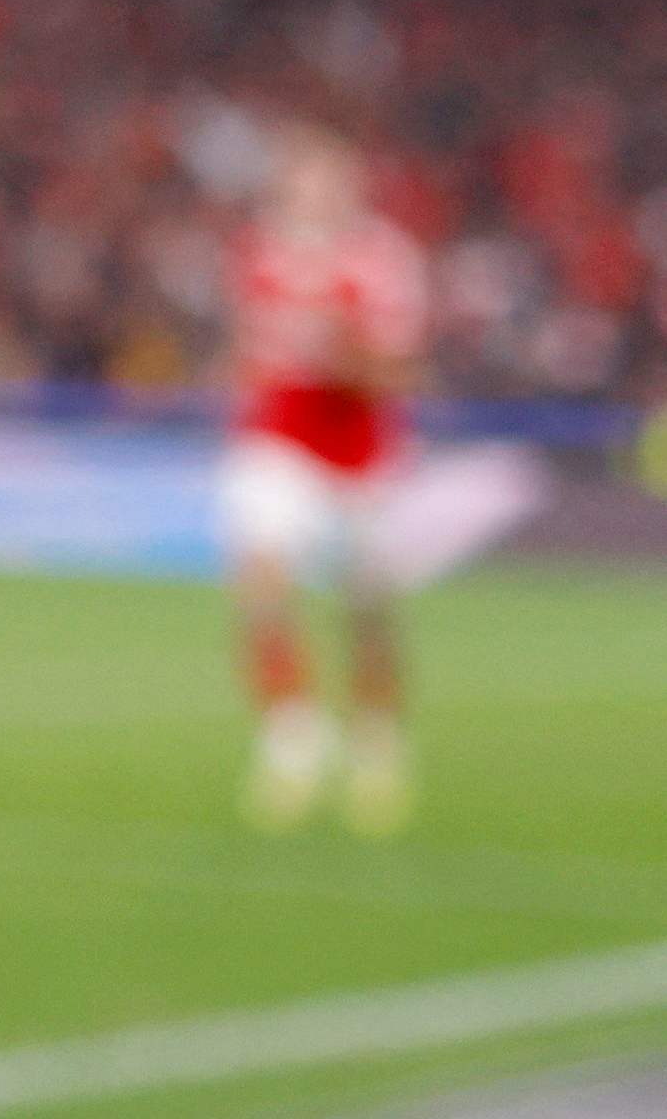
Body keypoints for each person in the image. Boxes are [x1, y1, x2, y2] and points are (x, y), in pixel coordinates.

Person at [220, 127, 430, 834]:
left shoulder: (384, 261)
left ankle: (376, 743)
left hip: (360, 452)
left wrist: (338, 352)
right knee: (260, 577)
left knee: (367, 611)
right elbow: (254, 349)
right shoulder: (259, 250)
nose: (310, 194)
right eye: (299, 181)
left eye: (324, 181)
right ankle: (292, 738)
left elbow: (397, 373)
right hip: (278, 440)